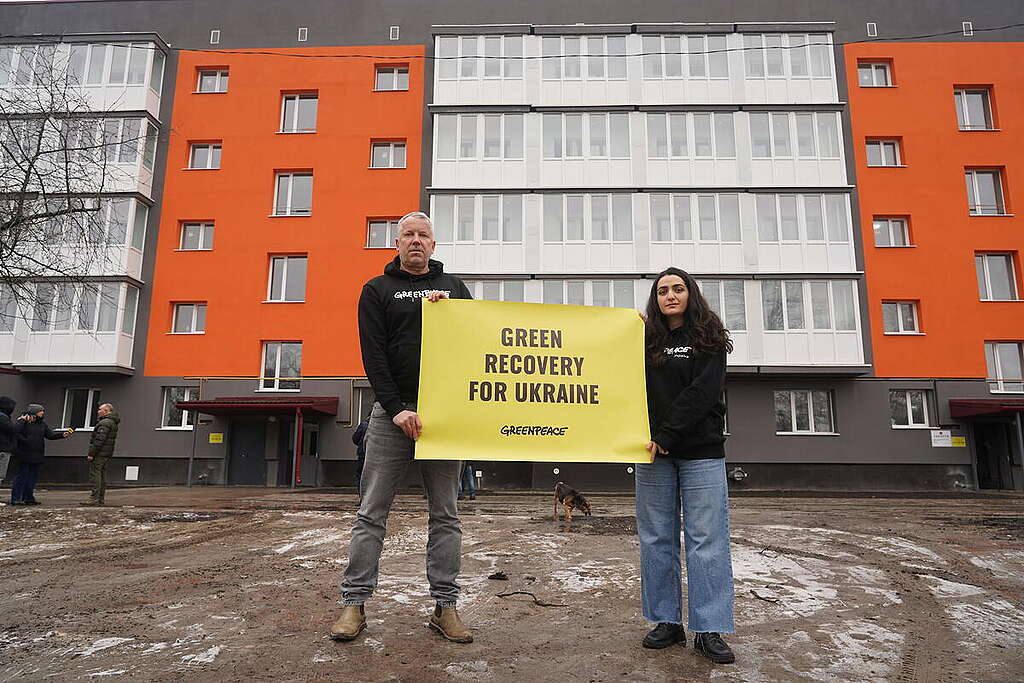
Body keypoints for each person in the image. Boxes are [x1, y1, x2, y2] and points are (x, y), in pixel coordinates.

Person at [332, 211, 474, 644]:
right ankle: (353, 605)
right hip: (390, 417)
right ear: (396, 243)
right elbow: (372, 355)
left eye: (423, 235)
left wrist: (448, 313)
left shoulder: (453, 290)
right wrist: (394, 408)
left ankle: (444, 608)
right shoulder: (376, 290)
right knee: (371, 513)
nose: (416, 241)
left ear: (434, 244)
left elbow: (476, 343)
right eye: (408, 235)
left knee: (446, 515)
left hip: (442, 418)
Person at [635, 267, 737, 664]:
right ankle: (665, 622)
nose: (670, 296)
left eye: (678, 289)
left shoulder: (708, 336)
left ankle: (708, 628)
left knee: (706, 541)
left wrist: (667, 434)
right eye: (663, 291)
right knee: (656, 539)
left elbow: (702, 393)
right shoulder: (645, 341)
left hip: (701, 453)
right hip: (651, 454)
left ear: (690, 294)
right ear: (655, 299)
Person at [10, 403, 72, 506]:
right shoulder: (23, 422)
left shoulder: (42, 424)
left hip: (37, 455)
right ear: (34, 412)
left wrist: (62, 435)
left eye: (42, 411)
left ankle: (28, 498)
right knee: (21, 477)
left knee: (32, 479)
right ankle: (16, 498)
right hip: (23, 454)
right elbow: (15, 432)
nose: (43, 413)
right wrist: (22, 422)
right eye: (40, 411)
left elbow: (50, 435)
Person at [84, 403, 119, 506]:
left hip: (100, 453)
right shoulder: (112, 422)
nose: (98, 411)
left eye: (100, 409)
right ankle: (100, 499)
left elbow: (99, 440)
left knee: (96, 475)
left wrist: (92, 453)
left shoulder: (105, 423)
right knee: (102, 476)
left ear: (106, 411)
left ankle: (94, 499)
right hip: (106, 453)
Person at [351, 414, 369, 498]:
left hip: (363, 453)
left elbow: (355, 438)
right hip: (379, 454)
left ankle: (363, 498)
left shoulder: (364, 425)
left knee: (361, 475)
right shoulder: (383, 425)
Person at [0, 396, 15, 484]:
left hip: (4, 447)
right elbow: (12, 429)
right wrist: (21, 421)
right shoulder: (3, 418)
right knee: (0, 474)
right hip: (3, 448)